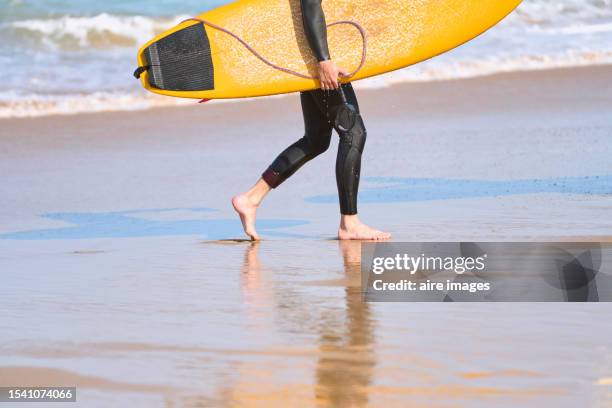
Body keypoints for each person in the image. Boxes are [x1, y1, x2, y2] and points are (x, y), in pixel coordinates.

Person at [232, 0, 391, 241]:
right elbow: (310, 5)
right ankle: (349, 223)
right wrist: (323, 60)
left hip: (308, 54)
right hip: (317, 58)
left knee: (316, 140)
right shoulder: (321, 59)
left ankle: (251, 198)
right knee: (353, 133)